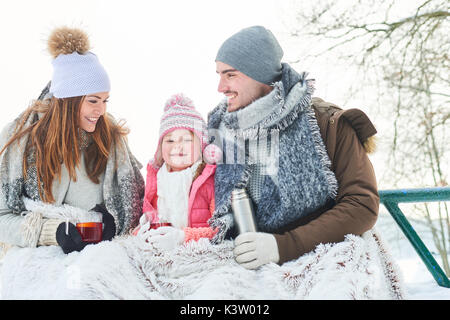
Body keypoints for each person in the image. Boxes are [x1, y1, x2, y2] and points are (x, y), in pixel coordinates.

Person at [207, 26, 379, 269]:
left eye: (230, 75)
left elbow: (361, 204)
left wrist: (283, 246)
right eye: (219, 75)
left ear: (260, 74)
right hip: (244, 261)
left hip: (322, 258)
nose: (220, 88)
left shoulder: (326, 123)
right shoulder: (220, 133)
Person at [0, 27, 144, 255]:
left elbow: (133, 203)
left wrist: (112, 222)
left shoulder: (110, 139)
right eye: (93, 101)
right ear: (69, 101)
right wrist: (52, 233)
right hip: (32, 255)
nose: (101, 110)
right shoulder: (20, 140)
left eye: (106, 101)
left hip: (93, 257)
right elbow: (2, 218)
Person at [133, 93, 221, 250]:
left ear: (201, 146)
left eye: (186, 140)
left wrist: (182, 237)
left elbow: (219, 230)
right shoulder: (158, 181)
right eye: (170, 140)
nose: (177, 146)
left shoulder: (209, 180)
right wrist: (141, 233)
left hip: (196, 254)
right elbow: (151, 219)